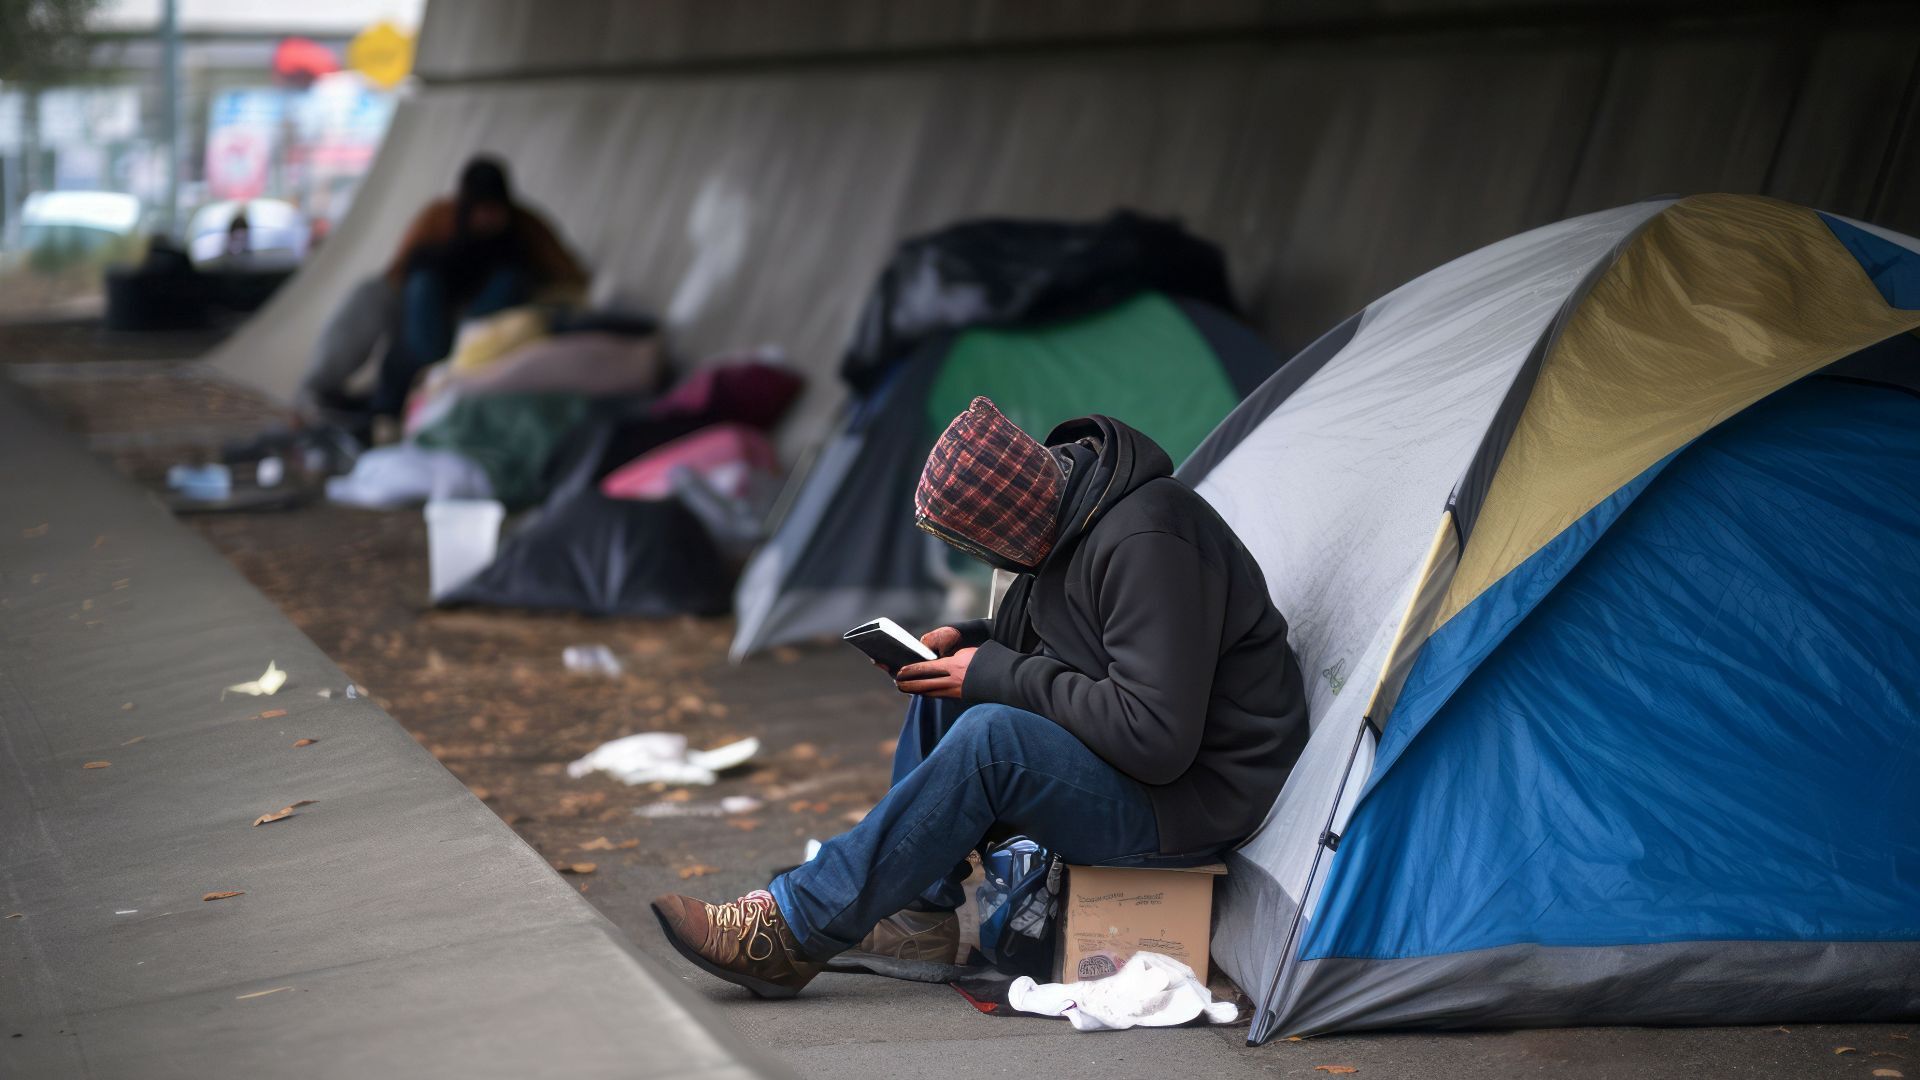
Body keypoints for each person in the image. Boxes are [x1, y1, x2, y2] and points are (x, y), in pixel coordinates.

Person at [652, 396, 1310, 998]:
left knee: (992, 738)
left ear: (1011, 523)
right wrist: (975, 642)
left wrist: (995, 669)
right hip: (1153, 773)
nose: (984, 560)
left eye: (979, 546)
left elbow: (1156, 738)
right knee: (949, 687)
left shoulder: (1149, 540)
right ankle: (919, 914)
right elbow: (1085, 644)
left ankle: (788, 932)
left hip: (1195, 800)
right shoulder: (1073, 511)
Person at [294, 156, 587, 425]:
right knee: (379, 294)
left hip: (483, 333)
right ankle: (319, 393)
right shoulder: (438, 219)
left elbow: (572, 280)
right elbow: (396, 278)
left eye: (494, 210)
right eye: (480, 209)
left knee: (509, 281)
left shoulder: (526, 228)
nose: (487, 218)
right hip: (426, 324)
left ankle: (421, 393)